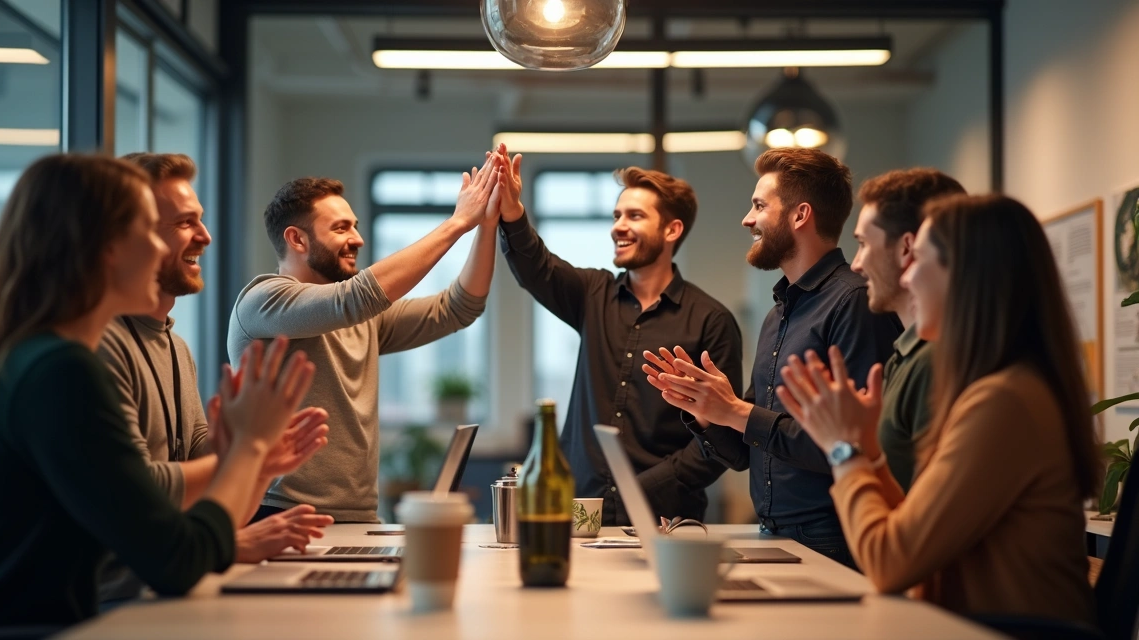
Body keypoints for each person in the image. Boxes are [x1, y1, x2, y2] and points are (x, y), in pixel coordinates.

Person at [0, 154, 316, 639]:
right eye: (148, 231)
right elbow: (175, 562)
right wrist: (249, 449)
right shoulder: (60, 371)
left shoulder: (47, 360)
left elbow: (178, 542)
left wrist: (250, 453)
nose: (159, 249)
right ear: (104, 247)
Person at [776, 194, 1099, 627]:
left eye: (920, 260)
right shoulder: (1001, 389)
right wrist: (868, 453)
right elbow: (912, 524)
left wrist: (843, 450)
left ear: (966, 277)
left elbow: (889, 562)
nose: (906, 279)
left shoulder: (1006, 402)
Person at [643, 148, 900, 567]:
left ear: (800, 216)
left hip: (831, 539)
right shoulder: (778, 313)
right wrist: (709, 411)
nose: (747, 219)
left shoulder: (853, 303)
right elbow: (748, 453)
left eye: (760, 206)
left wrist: (737, 412)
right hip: (777, 535)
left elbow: (845, 444)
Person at [94, 152, 331, 602]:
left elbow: (210, 495)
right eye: (184, 223)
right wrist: (249, 454)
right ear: (117, 240)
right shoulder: (96, 348)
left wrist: (258, 461)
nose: (205, 236)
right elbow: (146, 493)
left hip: (148, 593)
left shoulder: (175, 347)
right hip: (105, 609)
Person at [228, 153, 503, 523]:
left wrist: (486, 223)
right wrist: (457, 223)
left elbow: (460, 307)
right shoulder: (263, 301)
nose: (357, 238)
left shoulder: (362, 318)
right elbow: (357, 297)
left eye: (355, 226)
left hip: (358, 516)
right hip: (280, 515)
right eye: (341, 228)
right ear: (296, 239)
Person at [492, 149, 740, 525]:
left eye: (635, 216)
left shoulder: (711, 320)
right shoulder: (592, 294)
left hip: (666, 519)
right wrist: (512, 213)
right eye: (617, 215)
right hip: (580, 513)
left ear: (672, 230)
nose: (618, 226)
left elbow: (723, 441)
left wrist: (645, 486)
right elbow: (536, 267)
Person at [847, 169, 964, 491]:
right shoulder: (907, 353)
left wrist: (844, 448)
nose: (856, 264)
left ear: (906, 249)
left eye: (862, 243)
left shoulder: (935, 360)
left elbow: (923, 520)